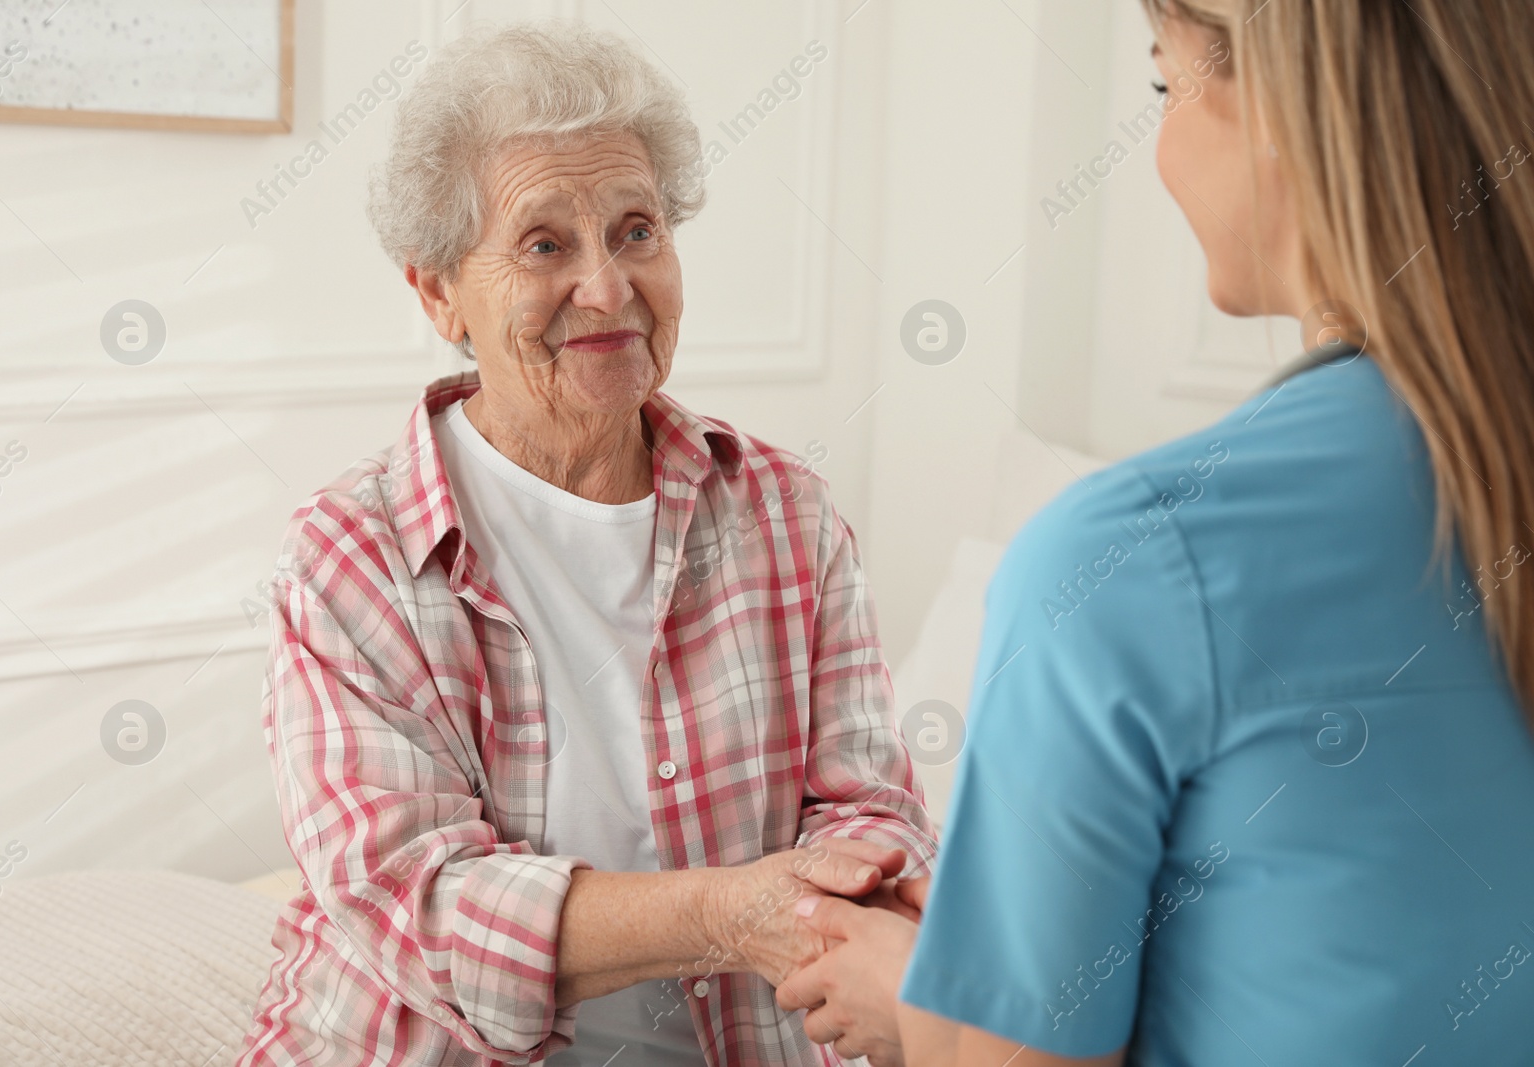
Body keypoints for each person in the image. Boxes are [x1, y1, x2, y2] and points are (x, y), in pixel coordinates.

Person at [780, 1, 1534, 1064]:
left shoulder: (1122, 560)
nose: (1162, 152)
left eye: (1160, 88)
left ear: (1277, 109)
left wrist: (916, 1001)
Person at [234, 23, 935, 1067]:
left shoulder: (786, 513)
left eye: (637, 230)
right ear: (437, 293)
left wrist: (853, 881)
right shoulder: (351, 558)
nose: (607, 287)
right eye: (545, 244)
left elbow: (870, 801)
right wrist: (728, 911)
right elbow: (414, 895)